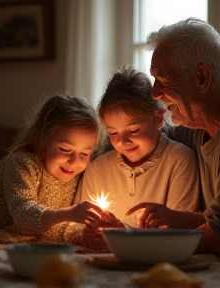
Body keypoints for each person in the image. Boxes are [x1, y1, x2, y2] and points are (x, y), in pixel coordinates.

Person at [126, 17, 220, 261]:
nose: (155, 93)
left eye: (164, 79)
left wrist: (138, 244)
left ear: (202, 77)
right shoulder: (193, 124)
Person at [75, 66, 201, 245]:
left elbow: (179, 234)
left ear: (158, 119)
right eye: (113, 133)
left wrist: (124, 234)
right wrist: (84, 235)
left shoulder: (179, 160)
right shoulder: (97, 169)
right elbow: (77, 226)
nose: (123, 142)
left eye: (133, 130)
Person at [0, 93, 103, 245]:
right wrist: (70, 213)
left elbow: (55, 228)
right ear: (40, 140)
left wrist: (80, 235)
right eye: (65, 149)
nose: (74, 161)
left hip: (29, 241)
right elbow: (24, 214)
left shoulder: (76, 176)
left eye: (84, 153)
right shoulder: (20, 165)